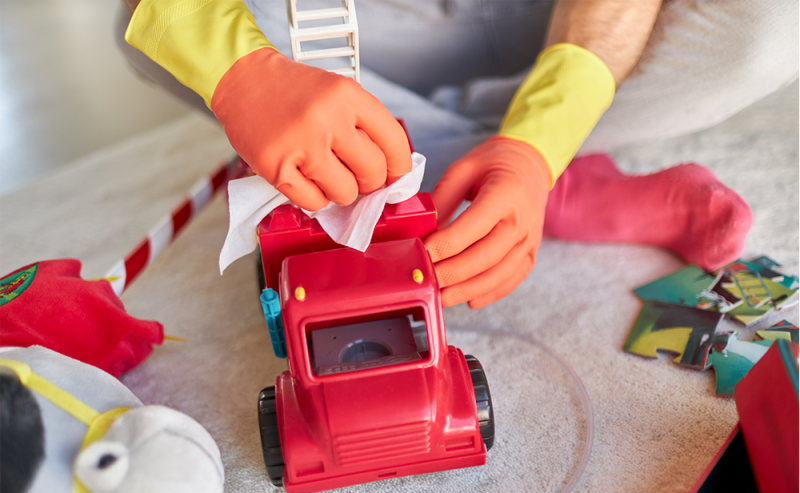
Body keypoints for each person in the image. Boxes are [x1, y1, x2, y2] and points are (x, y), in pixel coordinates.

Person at [117, 0, 799, 309]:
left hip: (558, 13)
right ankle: (562, 176)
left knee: (773, 22)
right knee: (142, 23)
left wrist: (539, 143)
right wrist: (246, 75)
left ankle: (506, 162)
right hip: (359, 19)